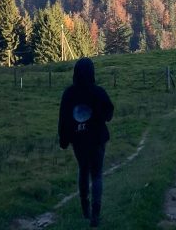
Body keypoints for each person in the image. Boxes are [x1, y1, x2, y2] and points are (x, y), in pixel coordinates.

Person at [58, 57, 114, 227]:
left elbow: (63, 119)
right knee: (97, 174)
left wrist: (64, 139)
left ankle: (85, 210)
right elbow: (109, 114)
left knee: (83, 170)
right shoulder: (98, 92)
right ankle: (96, 213)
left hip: (78, 141)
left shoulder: (69, 94)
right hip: (97, 140)